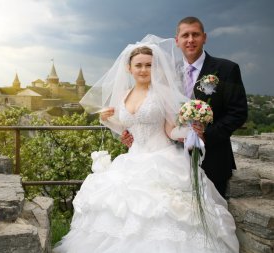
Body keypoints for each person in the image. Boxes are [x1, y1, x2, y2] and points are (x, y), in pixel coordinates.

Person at [54, 35, 239, 253]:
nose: (143, 70)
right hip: (132, 159)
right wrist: (108, 120)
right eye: (139, 65)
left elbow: (170, 129)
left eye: (149, 65)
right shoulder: (123, 95)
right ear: (128, 68)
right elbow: (125, 126)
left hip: (163, 159)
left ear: (156, 67)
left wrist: (190, 129)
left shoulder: (163, 94)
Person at [121, 17, 248, 198]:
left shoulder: (226, 69)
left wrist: (205, 135)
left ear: (204, 37)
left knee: (209, 216)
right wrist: (134, 132)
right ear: (177, 41)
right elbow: (153, 110)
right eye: (185, 35)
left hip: (212, 159)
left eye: (195, 34)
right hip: (168, 161)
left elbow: (238, 113)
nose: (190, 40)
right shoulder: (165, 71)